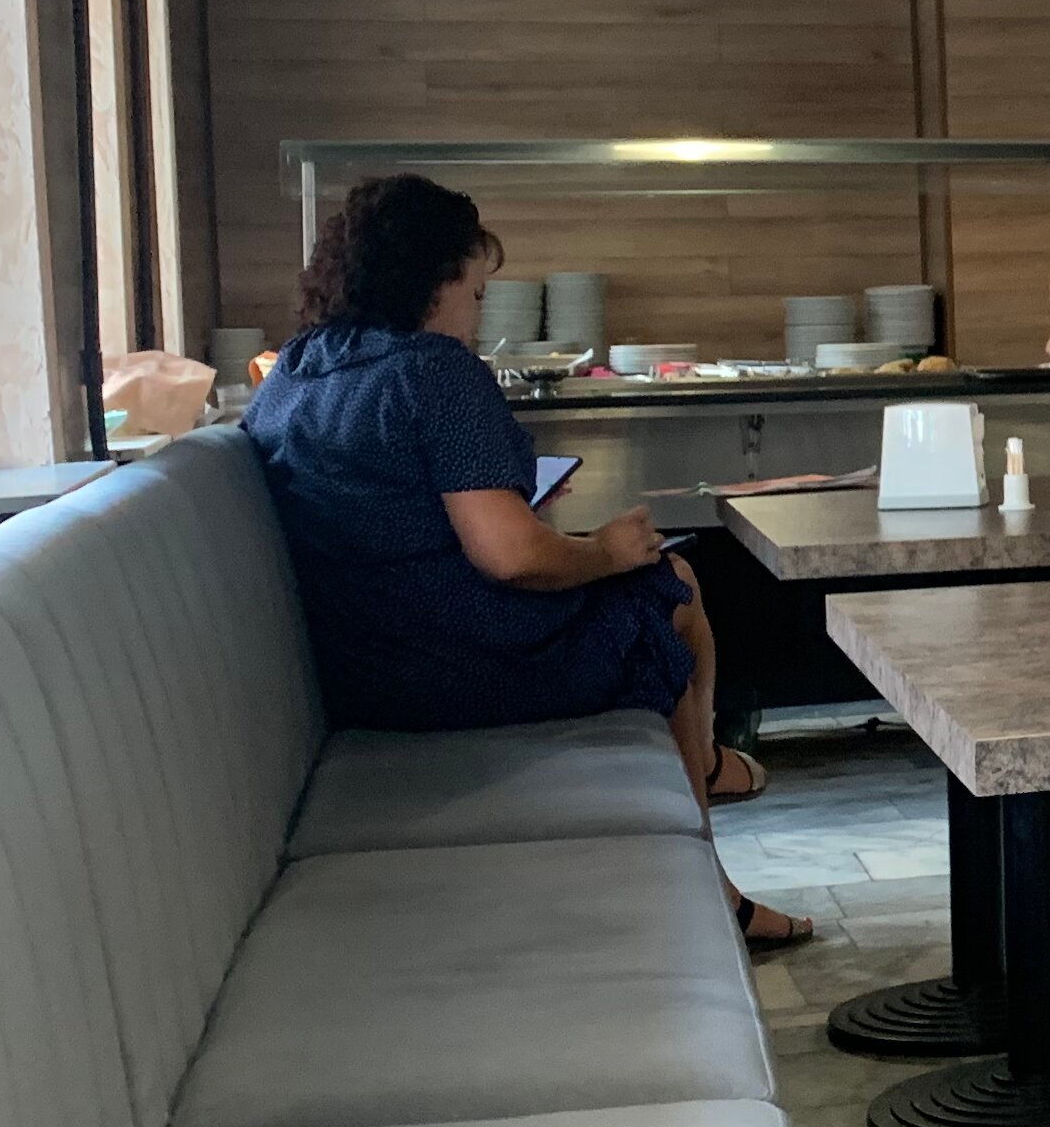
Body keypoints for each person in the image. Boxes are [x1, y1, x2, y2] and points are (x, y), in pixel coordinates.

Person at [244, 173, 807, 946]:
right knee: (670, 588)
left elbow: (389, 505)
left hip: (364, 669)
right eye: (476, 294)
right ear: (435, 281)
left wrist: (528, 516)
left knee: (652, 596)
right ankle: (712, 877)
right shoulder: (435, 370)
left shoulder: (294, 372)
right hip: (458, 671)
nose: (477, 318)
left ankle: (703, 770)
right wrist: (606, 550)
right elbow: (510, 557)